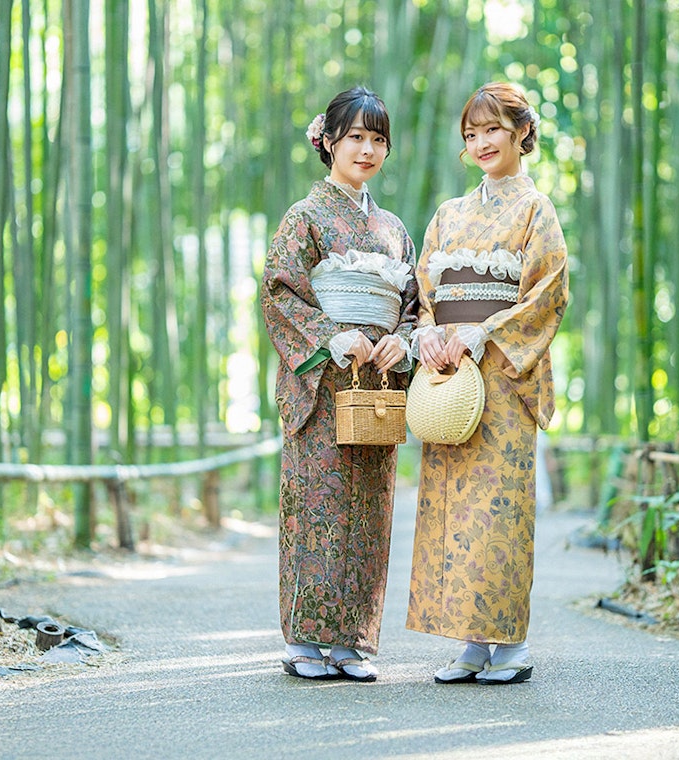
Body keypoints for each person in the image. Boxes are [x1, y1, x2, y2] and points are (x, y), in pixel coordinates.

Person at [405, 82, 569, 685]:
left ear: (521, 132)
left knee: (499, 510)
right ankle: (469, 643)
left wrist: (485, 334)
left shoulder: (536, 210)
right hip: (448, 372)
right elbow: (427, 289)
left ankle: (510, 644)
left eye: (492, 129)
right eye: (471, 133)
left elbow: (548, 293)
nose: (481, 142)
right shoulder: (449, 213)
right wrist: (430, 333)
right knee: (452, 508)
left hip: (501, 375)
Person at [261, 86, 418, 682]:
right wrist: (331, 334)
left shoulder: (393, 227)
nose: (368, 149)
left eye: (378, 139)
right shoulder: (304, 217)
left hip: (376, 379)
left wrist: (399, 339)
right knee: (316, 503)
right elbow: (279, 290)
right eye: (355, 136)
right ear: (327, 141)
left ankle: (354, 640)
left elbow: (411, 303)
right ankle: (306, 638)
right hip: (322, 385)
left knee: (371, 507)